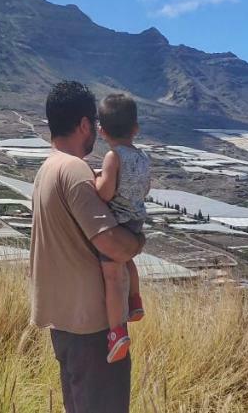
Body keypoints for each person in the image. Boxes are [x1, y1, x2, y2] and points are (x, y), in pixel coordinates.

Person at [31, 81, 144, 413]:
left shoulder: (46, 169)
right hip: (93, 331)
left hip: (64, 324)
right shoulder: (74, 170)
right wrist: (138, 241)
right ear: (83, 124)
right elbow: (112, 244)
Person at [93, 93, 150, 363]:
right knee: (128, 261)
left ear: (101, 130)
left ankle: (117, 332)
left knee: (112, 276)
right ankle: (135, 301)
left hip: (118, 221)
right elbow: (146, 188)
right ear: (135, 128)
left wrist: (95, 181)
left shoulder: (113, 157)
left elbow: (105, 193)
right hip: (136, 220)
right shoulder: (143, 158)